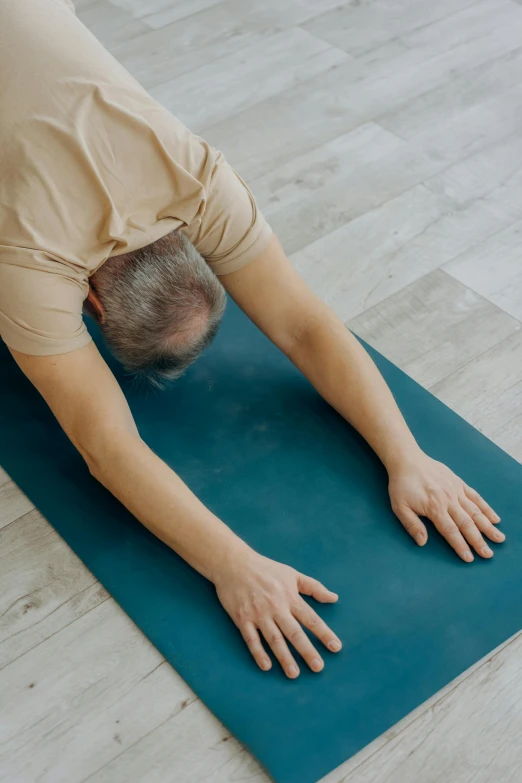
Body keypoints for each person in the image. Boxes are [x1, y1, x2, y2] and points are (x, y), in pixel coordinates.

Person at [0, 0, 505, 680]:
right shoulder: (31, 262)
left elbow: (305, 325)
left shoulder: (196, 176)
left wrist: (406, 454)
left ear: (197, 250)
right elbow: (107, 447)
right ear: (89, 301)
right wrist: (233, 565)